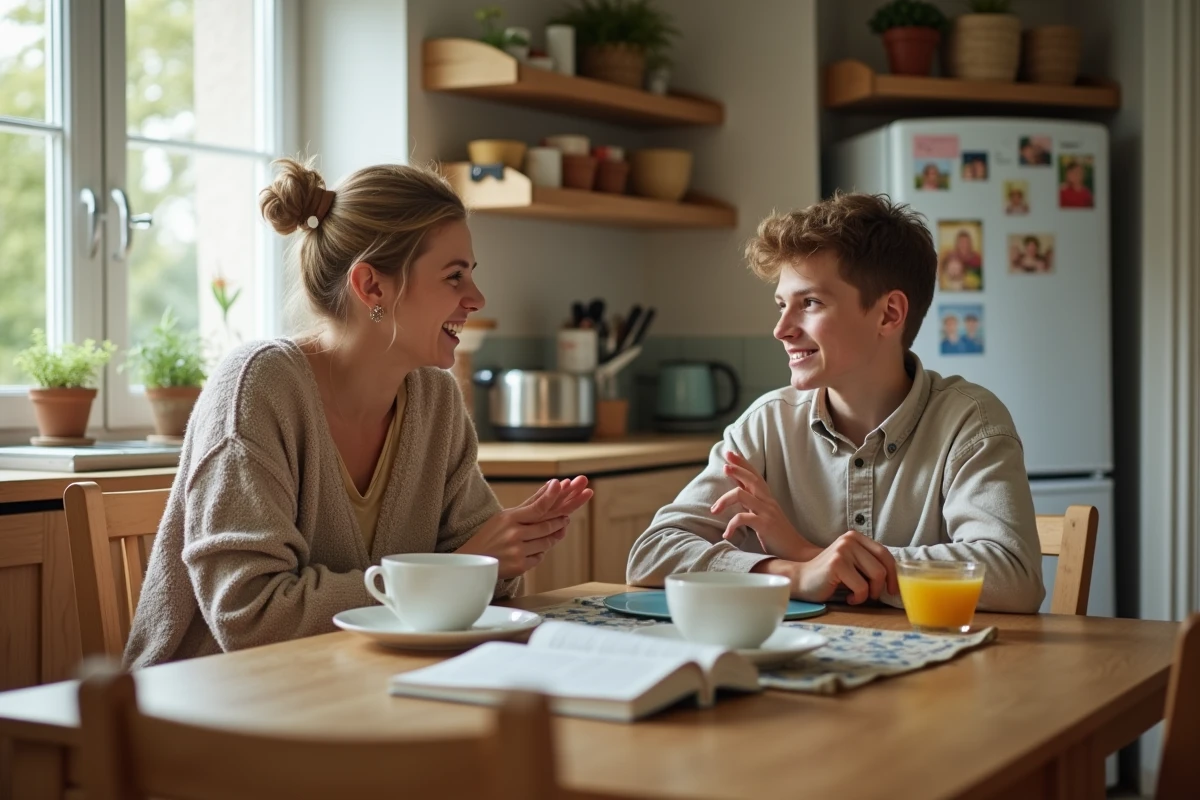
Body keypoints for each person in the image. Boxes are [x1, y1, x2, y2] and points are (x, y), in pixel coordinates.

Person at [125, 159, 592, 668]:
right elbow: (251, 615)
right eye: (454, 276)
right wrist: (455, 570)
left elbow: (480, 577)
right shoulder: (256, 389)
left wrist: (504, 551)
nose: (476, 299)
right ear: (371, 287)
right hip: (210, 694)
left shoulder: (435, 400)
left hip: (358, 678)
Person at [625, 192, 1044, 613]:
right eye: (781, 305)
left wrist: (811, 554)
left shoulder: (969, 422)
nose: (781, 330)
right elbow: (653, 553)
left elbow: (1014, 576)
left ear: (889, 314)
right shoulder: (765, 426)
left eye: (809, 303)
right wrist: (793, 572)